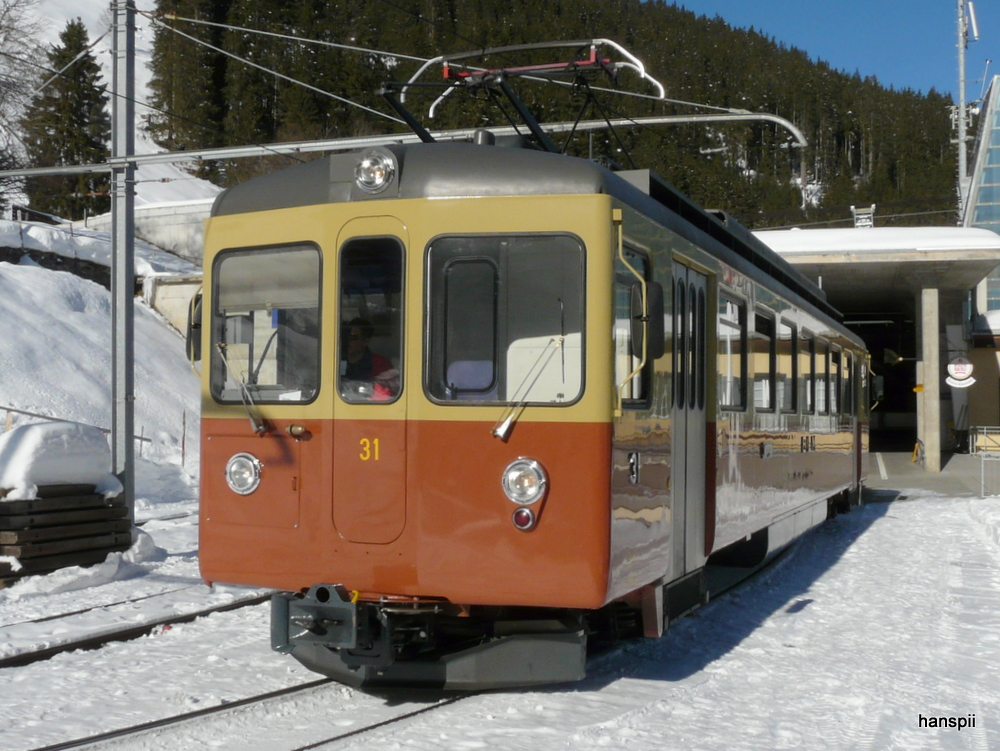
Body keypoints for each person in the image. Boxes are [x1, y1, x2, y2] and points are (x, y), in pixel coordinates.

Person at [342, 318, 399, 399]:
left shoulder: (380, 364)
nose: (347, 341)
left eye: (353, 338)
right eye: (345, 337)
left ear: (365, 341)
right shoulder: (334, 360)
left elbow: (390, 392)